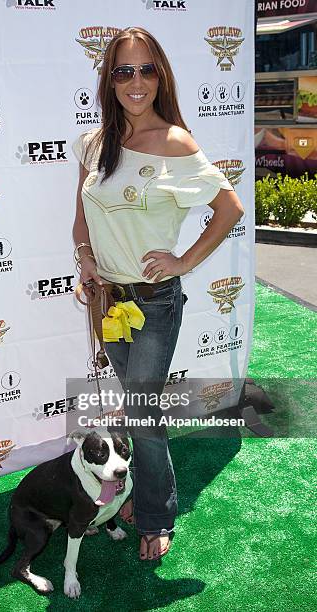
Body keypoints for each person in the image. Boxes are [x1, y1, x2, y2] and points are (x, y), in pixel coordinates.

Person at [72, 26, 244, 561]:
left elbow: (230, 209)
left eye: (147, 69)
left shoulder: (175, 143)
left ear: (161, 76)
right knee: (135, 410)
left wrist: (182, 261)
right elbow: (81, 221)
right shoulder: (94, 143)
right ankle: (135, 491)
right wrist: (87, 263)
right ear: (109, 80)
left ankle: (155, 515)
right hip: (109, 302)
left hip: (153, 302)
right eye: (124, 71)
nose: (136, 81)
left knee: (143, 416)